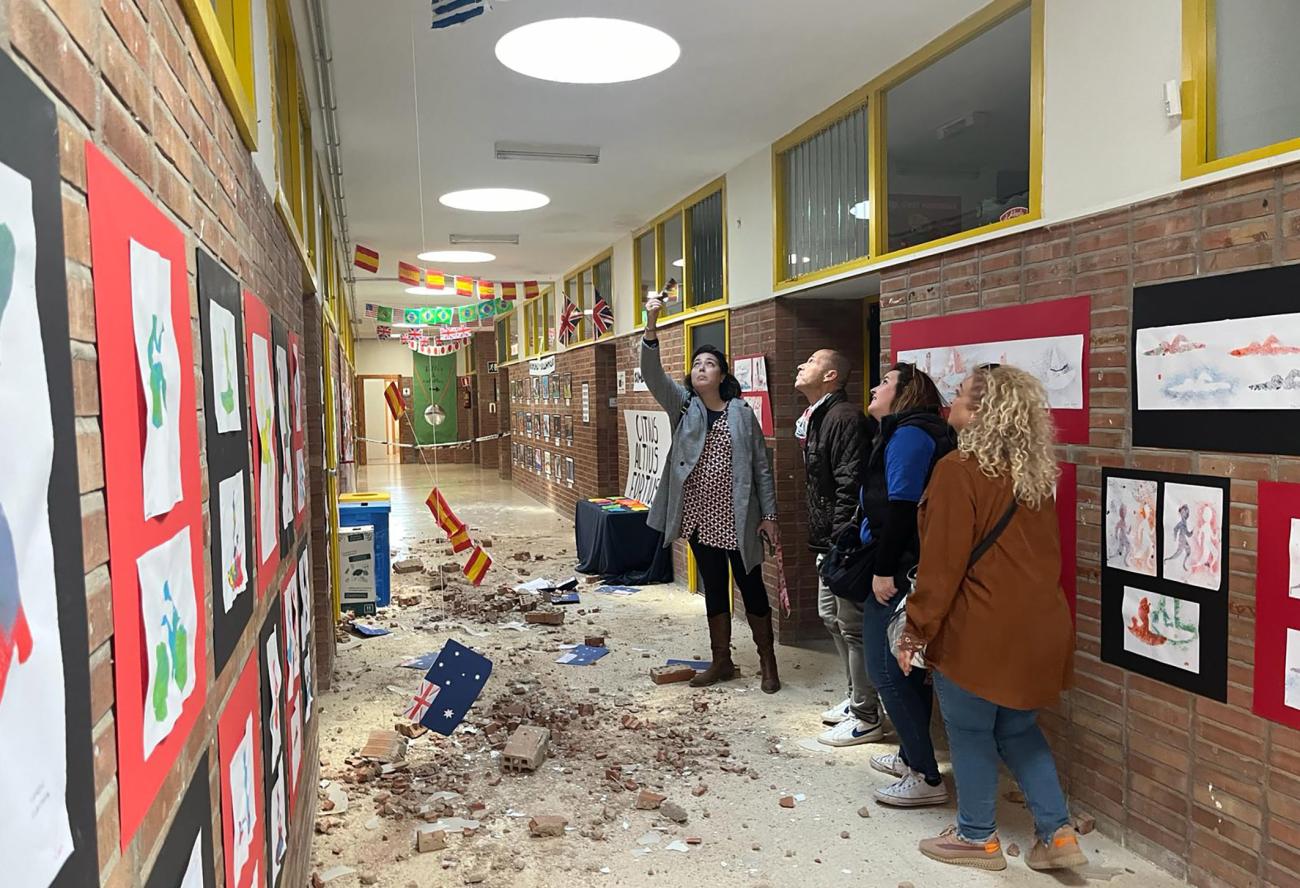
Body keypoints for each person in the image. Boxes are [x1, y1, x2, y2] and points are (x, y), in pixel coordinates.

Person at [899, 365, 1085, 872]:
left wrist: (915, 630)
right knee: (1020, 730)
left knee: (972, 731)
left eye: (958, 395)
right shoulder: (1035, 475)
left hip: (980, 630)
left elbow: (941, 567)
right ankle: (1058, 835)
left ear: (980, 411)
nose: (950, 403)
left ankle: (976, 837)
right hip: (1040, 627)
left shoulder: (959, 471)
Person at [640, 292, 781, 693]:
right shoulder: (682, 406)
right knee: (715, 587)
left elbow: (761, 469)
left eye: (710, 364)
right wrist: (651, 325)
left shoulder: (741, 413)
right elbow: (652, 373)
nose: (702, 368)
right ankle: (722, 661)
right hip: (701, 517)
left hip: (739, 518)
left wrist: (769, 516)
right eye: (697, 364)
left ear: (722, 376)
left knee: (751, 586)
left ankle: (767, 661)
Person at [859, 363, 955, 807]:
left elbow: (901, 508)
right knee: (905, 670)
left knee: (886, 668)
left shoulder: (911, 435)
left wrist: (883, 569)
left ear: (905, 394)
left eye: (885, 382)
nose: (876, 388)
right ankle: (909, 755)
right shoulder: (904, 432)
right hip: (907, 563)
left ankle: (925, 777)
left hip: (901, 569)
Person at [794, 350, 883, 746]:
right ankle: (854, 699)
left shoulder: (844, 417)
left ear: (830, 376)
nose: (800, 366)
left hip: (842, 543)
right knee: (830, 617)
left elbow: (850, 483)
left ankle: (867, 714)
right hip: (828, 541)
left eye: (810, 362)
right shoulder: (818, 416)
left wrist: (838, 542)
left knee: (851, 625)